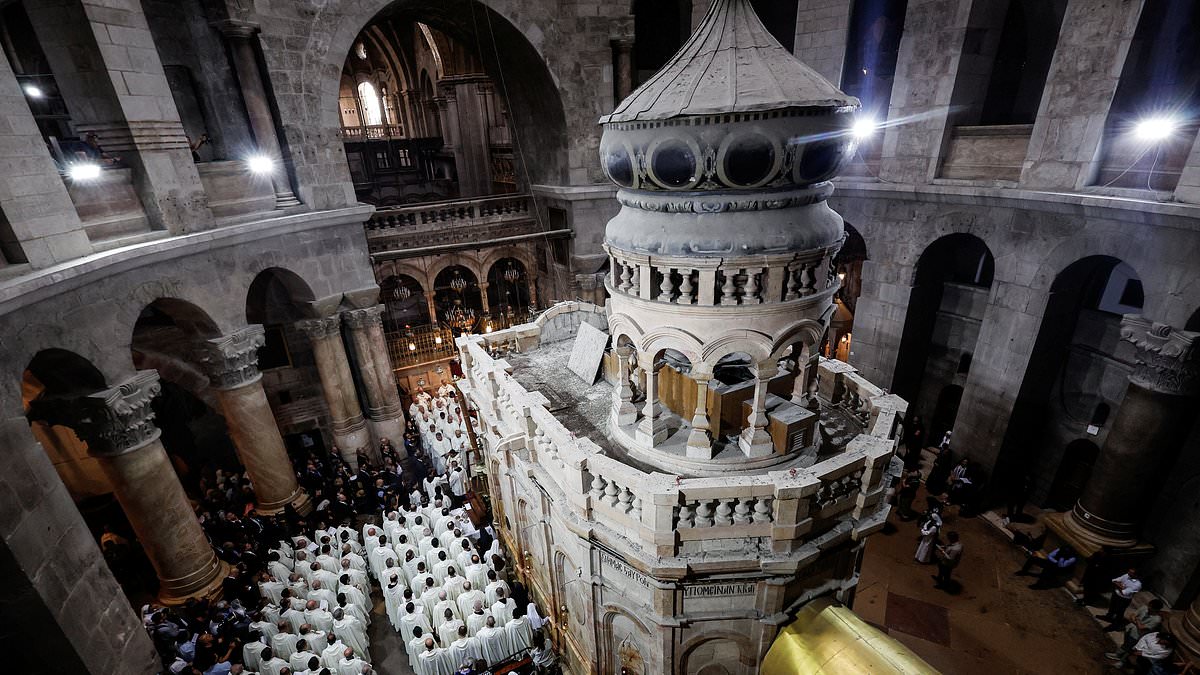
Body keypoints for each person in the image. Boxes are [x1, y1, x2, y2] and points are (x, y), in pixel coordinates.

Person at [1107, 600, 1165, 666]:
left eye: (1151, 607)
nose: (1148, 608)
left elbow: (1141, 627)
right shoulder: (1144, 608)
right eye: (1149, 605)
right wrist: (1137, 621)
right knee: (1126, 644)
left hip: (1137, 635)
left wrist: (1136, 620)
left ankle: (1121, 662)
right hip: (1130, 628)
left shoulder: (1157, 619)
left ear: (1156, 609)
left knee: (1130, 648)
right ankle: (1118, 654)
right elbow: (1132, 616)